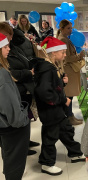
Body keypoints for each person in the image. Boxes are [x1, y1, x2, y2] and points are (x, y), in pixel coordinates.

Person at [34, 36, 85, 175]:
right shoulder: (47, 69)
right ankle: (46, 163)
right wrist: (63, 100)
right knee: (50, 136)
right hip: (50, 111)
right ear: (53, 52)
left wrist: (62, 83)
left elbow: (53, 87)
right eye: (62, 52)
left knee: (66, 130)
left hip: (56, 110)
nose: (64, 55)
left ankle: (75, 153)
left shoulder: (52, 67)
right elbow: (45, 92)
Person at [0, 22, 40, 155]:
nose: (10, 38)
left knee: (25, 117)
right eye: (6, 35)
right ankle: (20, 146)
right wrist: (28, 72)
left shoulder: (13, 47)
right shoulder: (4, 54)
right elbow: (12, 73)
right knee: (16, 122)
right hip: (18, 89)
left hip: (24, 88)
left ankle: (25, 142)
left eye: (11, 34)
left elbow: (20, 38)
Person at [0, 32, 30, 180]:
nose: (8, 49)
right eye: (5, 47)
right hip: (12, 127)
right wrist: (22, 121)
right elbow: (10, 106)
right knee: (15, 162)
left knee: (8, 155)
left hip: (4, 125)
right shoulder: (2, 74)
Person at [57, 19, 85, 125]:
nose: (70, 30)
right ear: (62, 28)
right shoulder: (63, 40)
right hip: (69, 70)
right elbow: (67, 58)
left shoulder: (64, 39)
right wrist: (79, 56)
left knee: (69, 95)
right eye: (68, 28)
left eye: (71, 28)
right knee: (69, 95)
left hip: (69, 70)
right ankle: (69, 117)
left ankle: (69, 115)